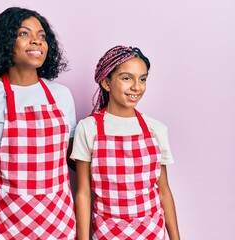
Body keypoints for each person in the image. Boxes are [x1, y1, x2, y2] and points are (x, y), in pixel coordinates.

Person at [0, 7, 77, 240]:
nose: (36, 41)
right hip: (6, 227)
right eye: (24, 34)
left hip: (60, 225)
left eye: (42, 36)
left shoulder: (62, 96)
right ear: (4, 41)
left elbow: (74, 159)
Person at [71, 45, 180, 239]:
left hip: (151, 231)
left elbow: (164, 192)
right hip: (107, 232)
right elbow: (84, 194)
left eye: (143, 79)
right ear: (106, 83)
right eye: (126, 78)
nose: (136, 87)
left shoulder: (156, 129)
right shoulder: (88, 128)